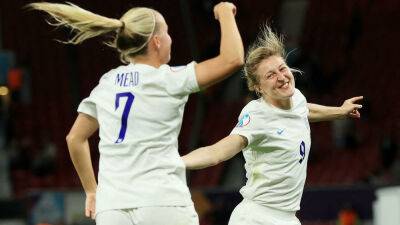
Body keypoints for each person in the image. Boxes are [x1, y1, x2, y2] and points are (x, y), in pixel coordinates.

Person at [27, 1, 244, 225]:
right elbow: (233, 59)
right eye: (167, 32)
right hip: (161, 199)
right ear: (157, 41)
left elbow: (75, 138)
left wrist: (92, 191)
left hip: (112, 206)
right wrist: (225, 12)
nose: (171, 38)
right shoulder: (169, 79)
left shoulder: (107, 82)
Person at [182, 25, 363, 225]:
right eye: (270, 75)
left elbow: (304, 110)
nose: (281, 77)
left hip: (288, 218)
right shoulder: (257, 114)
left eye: (282, 68)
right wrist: (178, 162)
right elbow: (221, 150)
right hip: (258, 217)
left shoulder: (297, 99)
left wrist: (340, 111)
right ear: (258, 87)